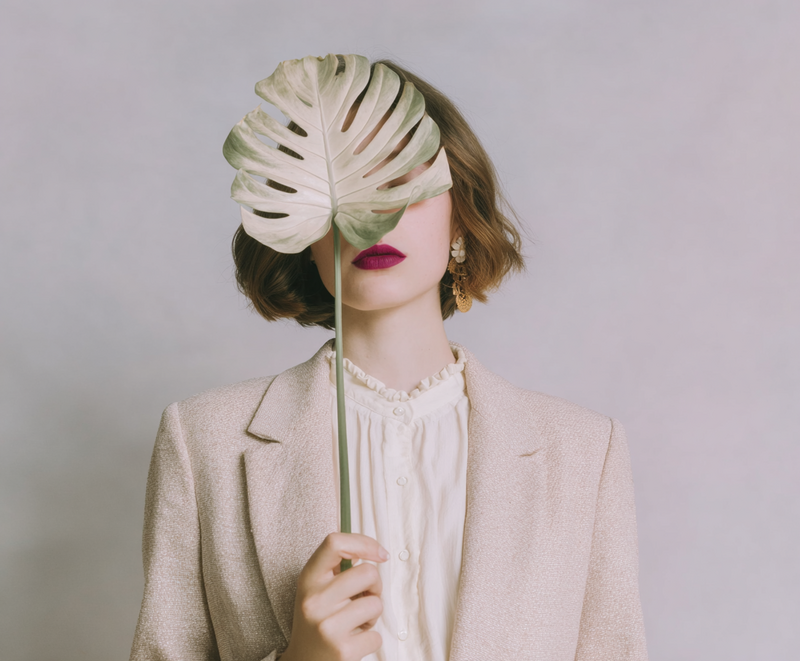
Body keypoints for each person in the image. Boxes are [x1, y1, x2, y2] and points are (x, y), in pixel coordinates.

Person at [130, 58, 648, 661]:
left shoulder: (583, 451)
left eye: (403, 182)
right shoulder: (204, 443)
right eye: (344, 189)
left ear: (460, 219)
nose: (373, 219)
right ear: (297, 226)